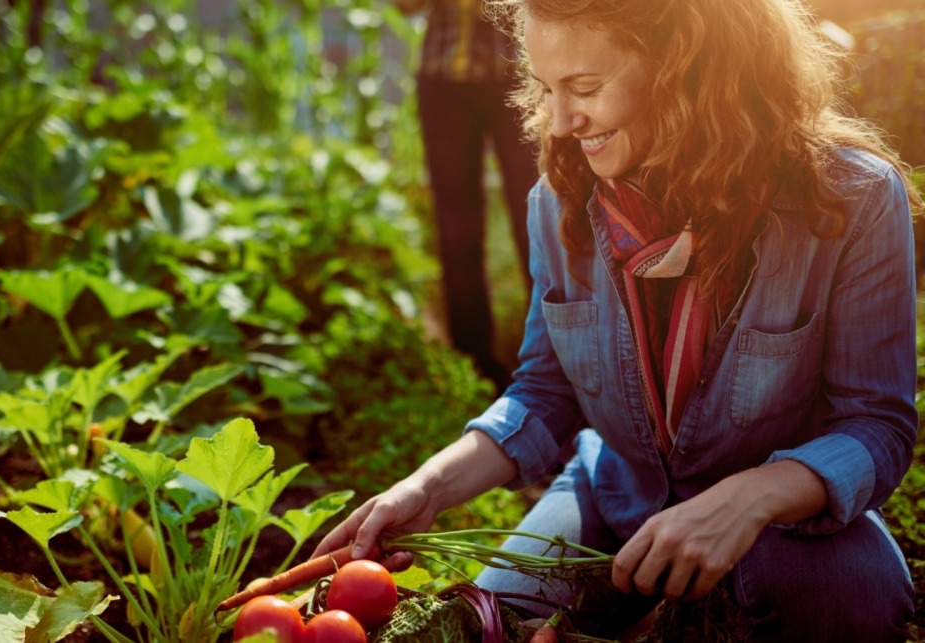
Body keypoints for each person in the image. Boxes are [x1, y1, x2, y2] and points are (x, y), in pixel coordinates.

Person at [316, 0, 921, 640]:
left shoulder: (852, 200)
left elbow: (876, 426)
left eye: (584, 88)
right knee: (494, 626)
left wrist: (750, 498)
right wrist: (426, 489)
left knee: (855, 602)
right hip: (615, 497)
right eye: (546, 89)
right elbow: (544, 394)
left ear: (687, 70)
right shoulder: (558, 201)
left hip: (781, 521)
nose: (559, 122)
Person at [395, 0, 540, 389]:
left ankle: (552, 362)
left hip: (519, 74)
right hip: (444, 83)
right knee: (457, 233)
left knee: (536, 222)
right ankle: (475, 370)